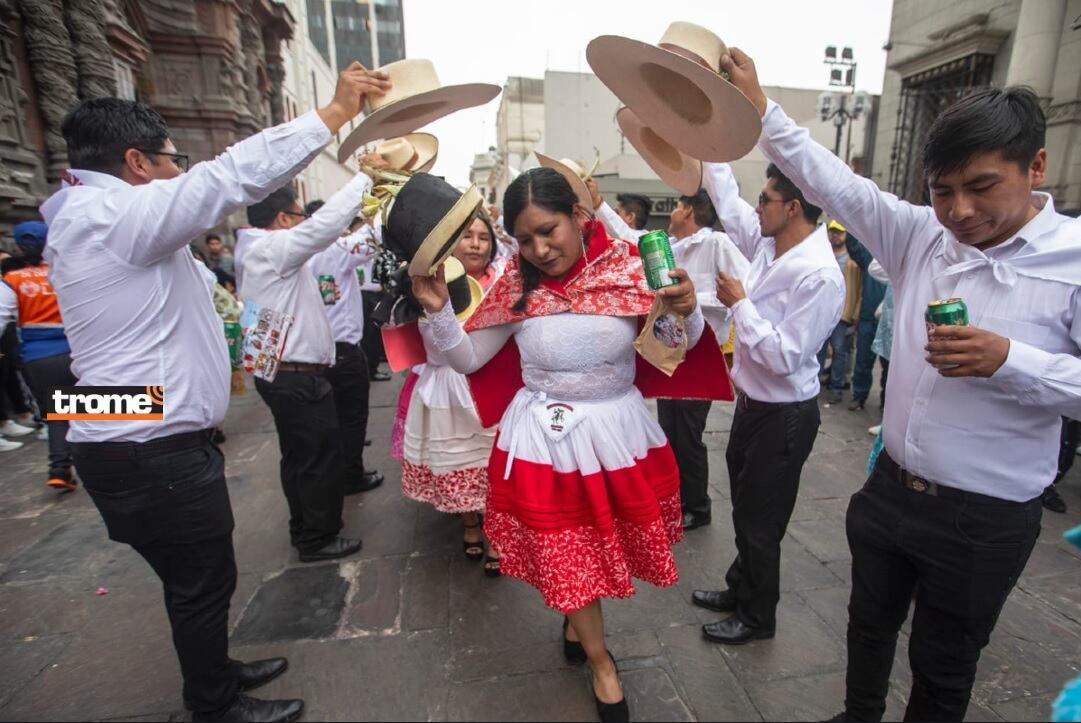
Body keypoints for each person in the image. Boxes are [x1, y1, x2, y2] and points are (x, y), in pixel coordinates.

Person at [722, 47, 1080, 722]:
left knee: (943, 666)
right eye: (942, 190)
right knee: (865, 627)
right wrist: (760, 108)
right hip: (891, 488)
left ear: (1035, 167)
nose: (959, 209)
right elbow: (837, 186)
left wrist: (1010, 359)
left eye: (980, 186)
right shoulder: (921, 236)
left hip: (985, 516)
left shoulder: (1072, 262)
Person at [38, 62, 390, 723]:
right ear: (137, 162)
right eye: (173, 162)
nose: (181, 174)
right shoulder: (114, 213)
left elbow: (113, 367)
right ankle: (214, 702)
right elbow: (226, 176)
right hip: (152, 453)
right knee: (203, 581)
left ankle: (216, 669)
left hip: (137, 439)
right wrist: (334, 114)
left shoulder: (91, 220)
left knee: (194, 578)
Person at [411, 167, 715, 723]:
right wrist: (437, 311)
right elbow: (468, 359)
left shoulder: (630, 269)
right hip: (540, 444)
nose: (539, 249)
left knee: (599, 549)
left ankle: (577, 621)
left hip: (615, 438)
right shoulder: (514, 284)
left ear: (578, 217)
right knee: (562, 553)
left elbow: (672, 348)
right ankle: (602, 664)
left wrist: (687, 310)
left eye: (548, 231)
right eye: (524, 239)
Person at [694, 159, 843, 645]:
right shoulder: (770, 244)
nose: (756, 208)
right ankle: (741, 587)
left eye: (765, 200)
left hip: (785, 416)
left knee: (761, 520)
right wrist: (707, 147)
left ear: (793, 207)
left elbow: (785, 355)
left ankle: (758, 617)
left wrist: (740, 303)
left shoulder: (819, 275)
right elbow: (728, 202)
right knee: (746, 508)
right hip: (754, 406)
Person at [238, 171, 374, 563]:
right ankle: (317, 536)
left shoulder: (255, 249)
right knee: (317, 459)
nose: (304, 225)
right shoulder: (270, 248)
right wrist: (367, 177)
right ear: (283, 219)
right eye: (299, 217)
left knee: (299, 457)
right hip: (295, 376)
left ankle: (306, 527)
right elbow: (325, 227)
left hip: (281, 371)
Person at [402, 214, 503, 575]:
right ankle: (470, 525)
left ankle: (495, 533)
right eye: (467, 236)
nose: (476, 243)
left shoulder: (501, 284)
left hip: (487, 386)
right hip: (444, 390)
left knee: (492, 465)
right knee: (458, 460)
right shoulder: (428, 282)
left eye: (484, 237)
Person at [657, 190, 749, 531]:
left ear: (690, 210)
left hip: (702, 351)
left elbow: (746, 285)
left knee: (689, 435)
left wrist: (696, 295)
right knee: (669, 431)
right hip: (670, 348)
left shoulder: (717, 245)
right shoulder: (670, 247)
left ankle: (698, 505)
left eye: (678, 205)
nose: (674, 211)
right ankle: (676, 500)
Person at [306, 197, 384, 496]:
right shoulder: (334, 250)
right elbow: (374, 236)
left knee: (334, 418)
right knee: (352, 417)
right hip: (342, 349)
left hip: (317, 350)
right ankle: (350, 475)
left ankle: (338, 472)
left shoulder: (299, 251)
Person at [0, 221, 78, 490]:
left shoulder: (11, 281)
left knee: (58, 413)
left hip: (37, 358)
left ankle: (59, 468)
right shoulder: (66, 272)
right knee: (108, 405)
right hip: (78, 352)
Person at [817, 220, 862, 404]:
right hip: (822, 311)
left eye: (839, 232)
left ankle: (836, 387)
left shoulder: (853, 261)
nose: (835, 235)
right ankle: (815, 382)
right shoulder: (823, 255)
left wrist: (856, 313)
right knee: (819, 348)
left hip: (842, 313)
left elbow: (859, 289)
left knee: (839, 350)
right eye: (832, 232)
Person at [845, 232, 887, 411]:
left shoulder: (904, 260)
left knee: (890, 366)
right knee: (863, 361)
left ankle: (886, 403)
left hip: (889, 323)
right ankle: (859, 396)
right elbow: (854, 248)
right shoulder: (872, 257)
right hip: (868, 318)